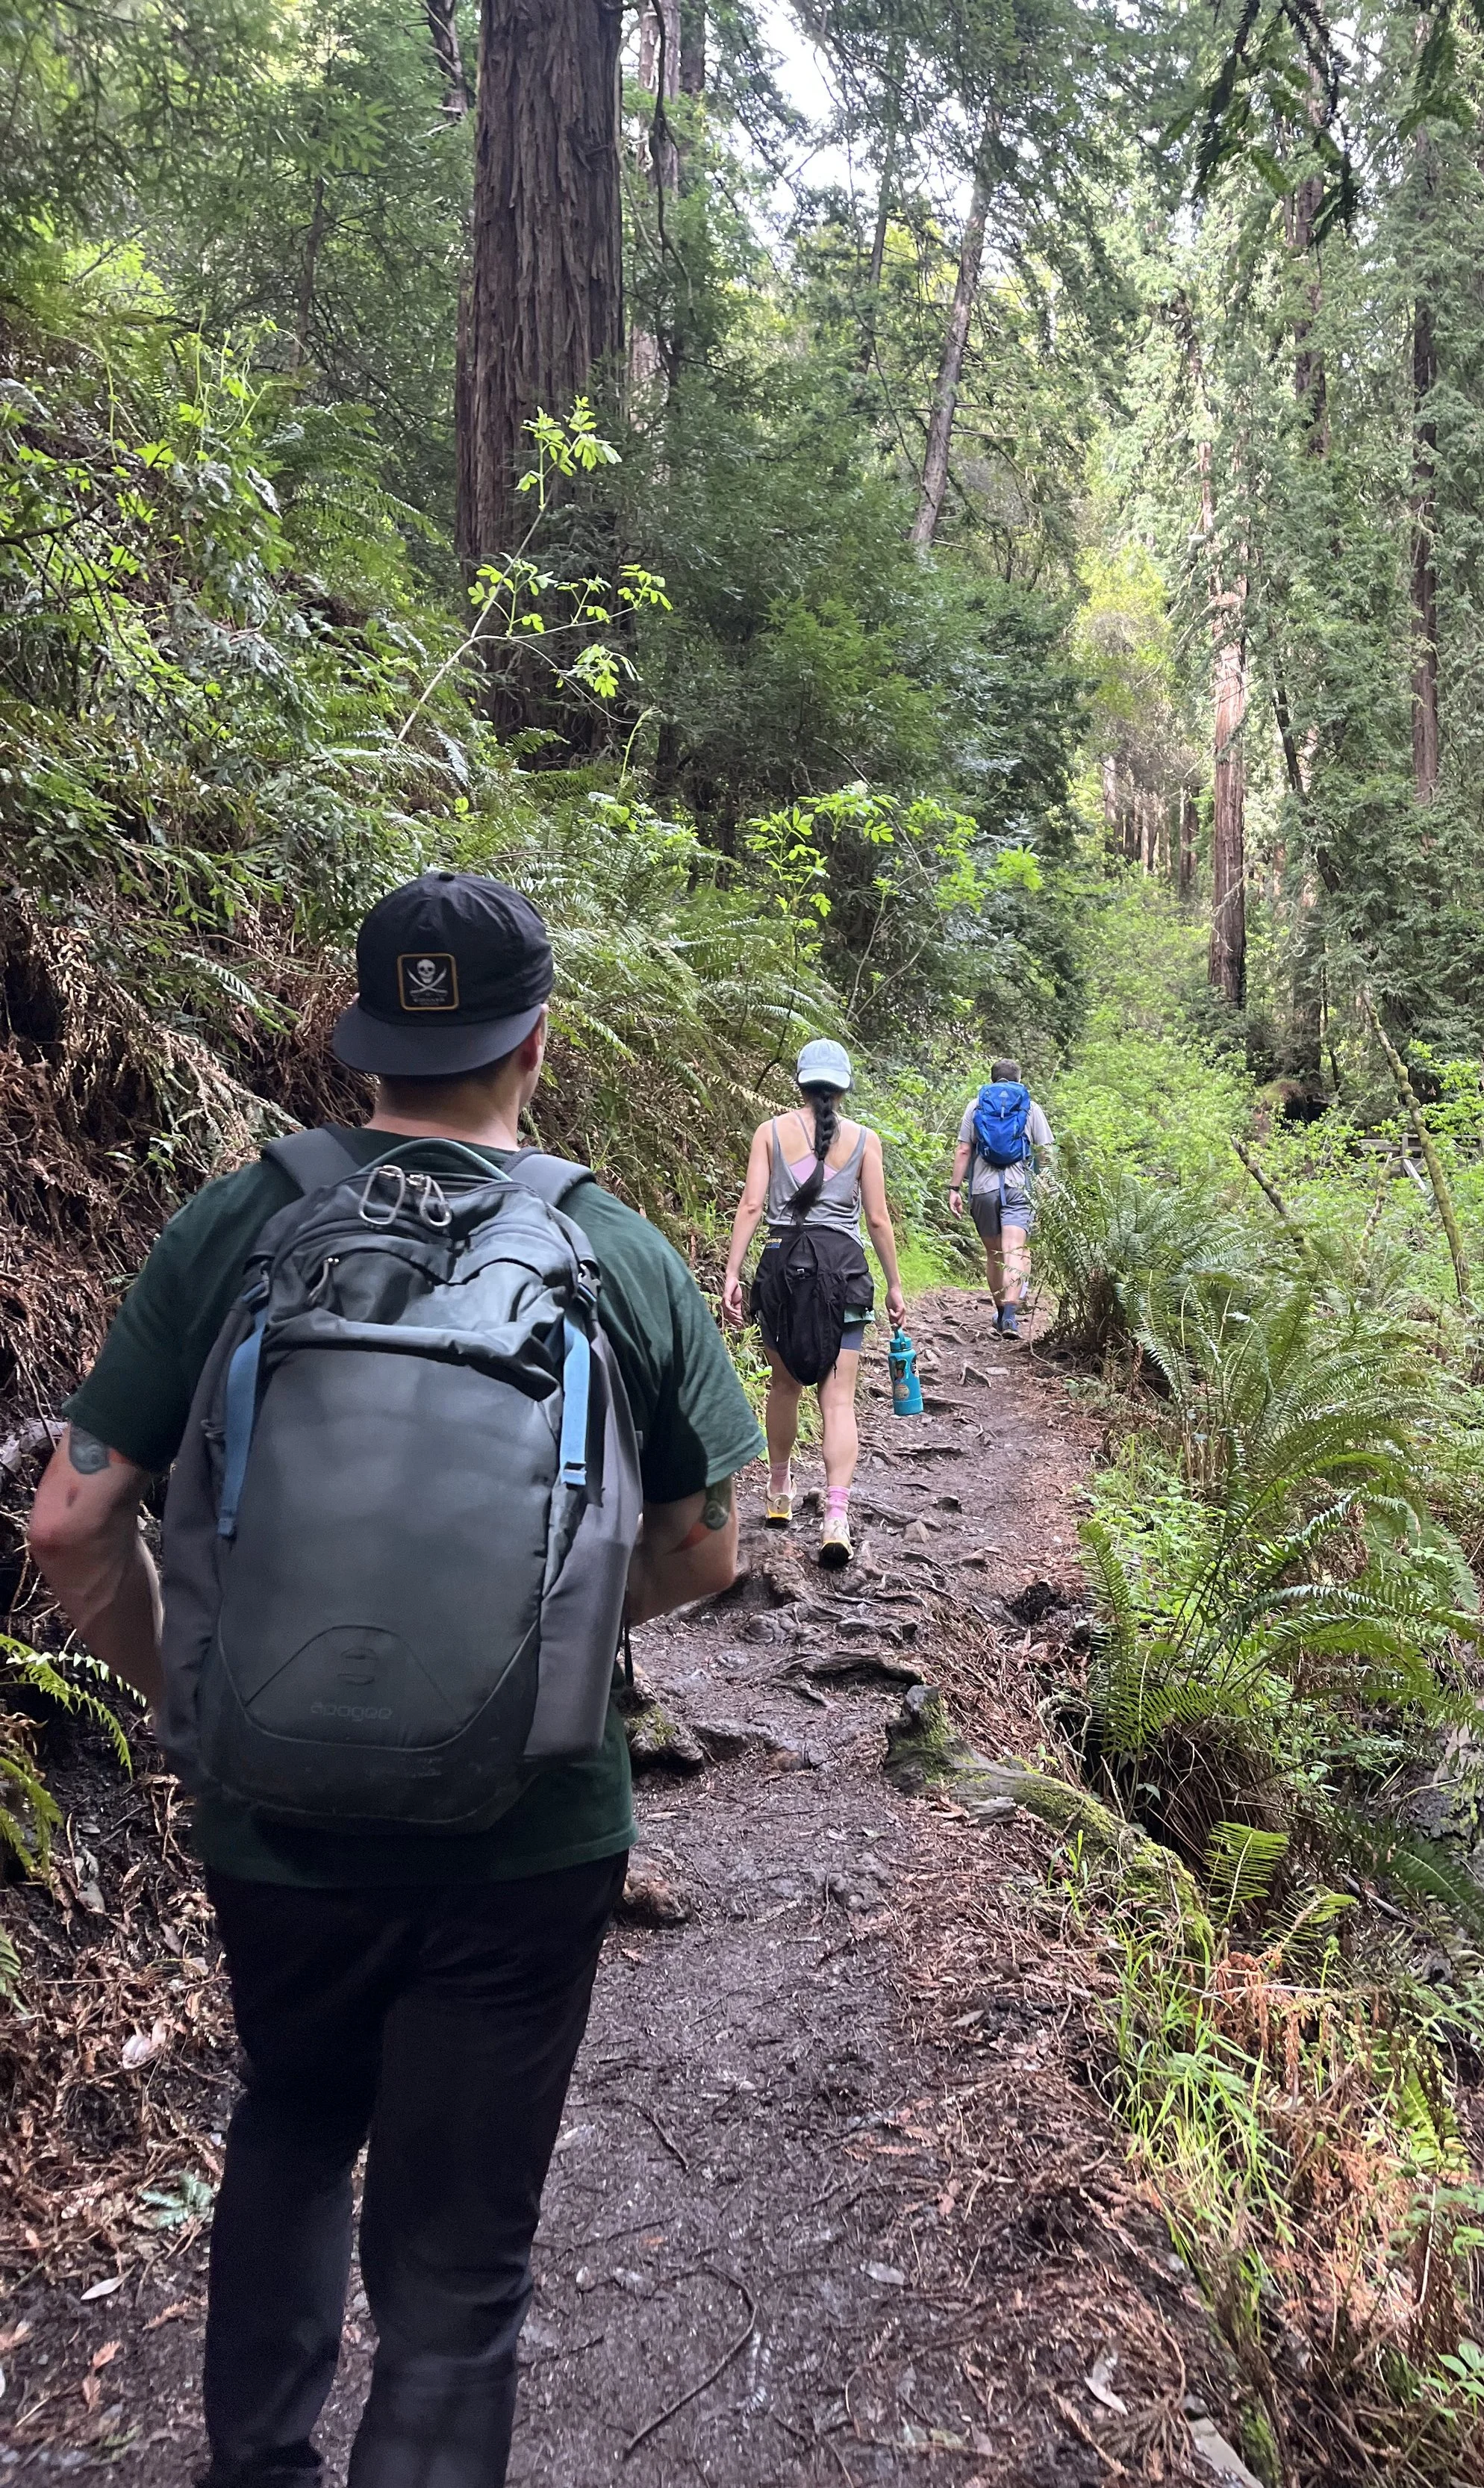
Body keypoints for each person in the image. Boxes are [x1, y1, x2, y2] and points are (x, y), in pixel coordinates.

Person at [28, 870, 763, 2488]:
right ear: (537, 1046)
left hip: (273, 1820)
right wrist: (554, 1639)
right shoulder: (609, 1246)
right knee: (457, 2272)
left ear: (356, 1037)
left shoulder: (240, 1218)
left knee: (290, 2119)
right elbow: (711, 1545)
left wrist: (202, 1697)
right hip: (527, 1828)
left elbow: (74, 1519)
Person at [720, 1038, 905, 1569]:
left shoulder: (769, 1132)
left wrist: (733, 1271)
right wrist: (893, 1283)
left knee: (784, 1385)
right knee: (839, 1398)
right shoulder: (865, 1140)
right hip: (844, 1272)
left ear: (799, 1082)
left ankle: (778, 1492)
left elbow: (753, 1203)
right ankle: (835, 1516)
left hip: (781, 1267)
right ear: (843, 1087)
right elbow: (876, 1219)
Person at [949, 1057, 1053, 1338]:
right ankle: (1009, 1316)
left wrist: (954, 1189)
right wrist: (1045, 1186)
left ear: (992, 1079)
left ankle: (1000, 1312)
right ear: (1019, 1080)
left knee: (995, 1254)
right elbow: (1046, 1153)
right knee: (1016, 1249)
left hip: (983, 1190)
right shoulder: (1030, 1107)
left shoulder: (977, 1106)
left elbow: (963, 1151)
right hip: (1018, 1187)